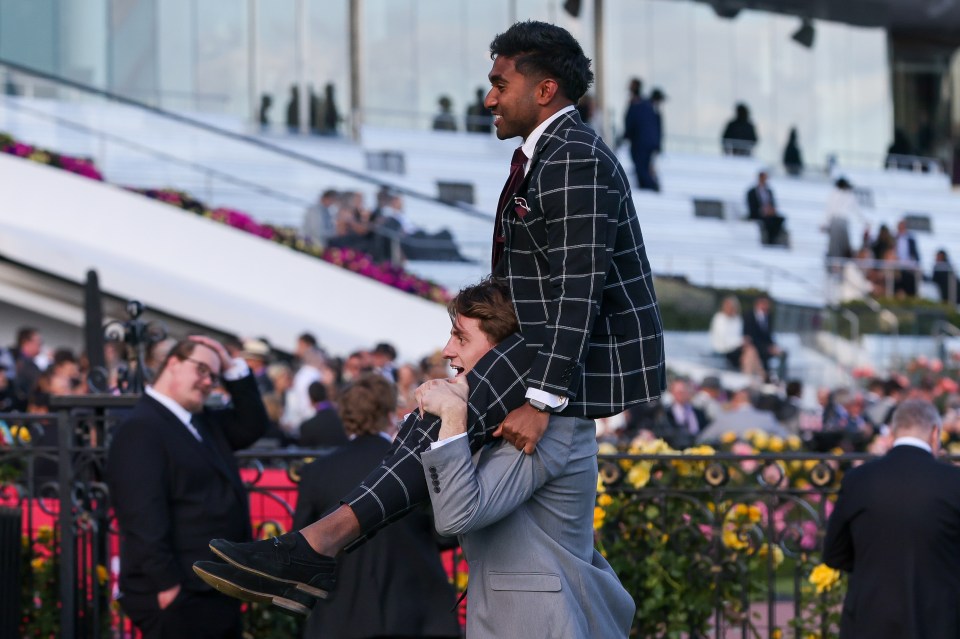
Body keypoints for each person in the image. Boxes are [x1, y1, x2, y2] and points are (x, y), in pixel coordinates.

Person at [201, 19, 664, 612]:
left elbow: (579, 288)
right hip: (538, 346)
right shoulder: (551, 152)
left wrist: (543, 400)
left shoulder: (572, 156)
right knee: (433, 412)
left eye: (500, 83)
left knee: (438, 415)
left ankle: (316, 549)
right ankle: (315, 551)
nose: (488, 97)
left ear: (545, 90)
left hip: (560, 361)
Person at [417, 297, 635, 637]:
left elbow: (456, 514)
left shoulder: (550, 427)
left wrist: (452, 417)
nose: (446, 350)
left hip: (541, 621)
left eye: (460, 337)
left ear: (503, 353)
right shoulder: (501, 416)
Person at [106, 336, 272, 638]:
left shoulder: (202, 421)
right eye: (202, 370)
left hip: (214, 588)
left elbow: (253, 425)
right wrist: (167, 586)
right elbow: (142, 518)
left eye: (214, 374)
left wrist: (229, 361)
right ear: (173, 363)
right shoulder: (141, 428)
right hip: (182, 594)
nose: (209, 381)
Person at [287, 374, 460, 638]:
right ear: (390, 413)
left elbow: (304, 547)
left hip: (342, 617)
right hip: (417, 609)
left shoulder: (316, 472)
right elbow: (446, 532)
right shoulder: (415, 463)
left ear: (344, 416)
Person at [823, 400, 960, 638]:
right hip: (940, 618)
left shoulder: (858, 479)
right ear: (935, 433)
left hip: (871, 616)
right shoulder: (953, 481)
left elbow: (834, 553)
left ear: (893, 432)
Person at [622, 86, 666, 191]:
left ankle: (650, 186)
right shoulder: (648, 108)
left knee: (641, 168)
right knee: (642, 167)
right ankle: (651, 185)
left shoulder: (644, 107)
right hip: (644, 144)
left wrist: (627, 135)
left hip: (641, 144)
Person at [709, 295, 763, 377]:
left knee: (750, 351)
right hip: (723, 350)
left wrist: (741, 342)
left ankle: (751, 376)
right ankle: (759, 376)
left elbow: (737, 337)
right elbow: (724, 340)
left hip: (735, 348)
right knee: (750, 351)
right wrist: (741, 341)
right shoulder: (719, 318)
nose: (729, 309)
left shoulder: (737, 319)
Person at [822, 177, 865, 269]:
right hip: (838, 222)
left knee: (841, 246)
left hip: (840, 222)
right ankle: (835, 266)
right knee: (836, 247)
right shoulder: (836, 194)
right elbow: (830, 210)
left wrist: (825, 223)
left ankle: (839, 266)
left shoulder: (846, 195)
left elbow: (829, 210)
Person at [742, 295, 786, 382]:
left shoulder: (768, 317)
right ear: (758, 304)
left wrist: (773, 345)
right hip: (755, 345)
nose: (767, 306)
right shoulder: (749, 315)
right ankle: (765, 377)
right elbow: (750, 336)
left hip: (764, 346)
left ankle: (779, 378)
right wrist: (767, 347)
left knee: (783, 353)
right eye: (765, 304)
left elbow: (768, 335)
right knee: (760, 354)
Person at [745, 171, 786, 246]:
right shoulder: (752, 192)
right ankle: (769, 241)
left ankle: (774, 238)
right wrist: (762, 210)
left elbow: (773, 203)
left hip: (768, 214)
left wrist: (771, 210)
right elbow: (751, 206)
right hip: (757, 214)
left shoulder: (769, 191)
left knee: (780, 219)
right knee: (768, 221)